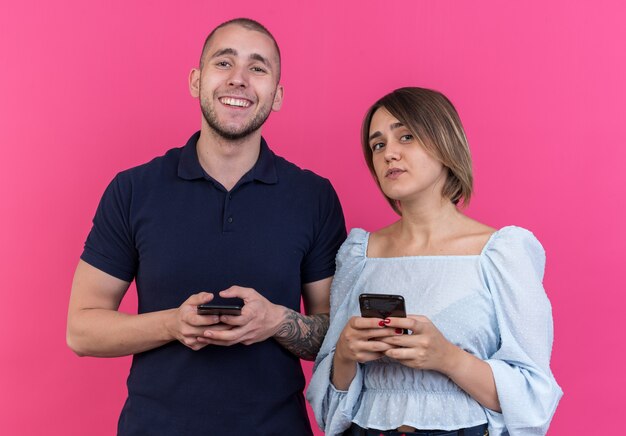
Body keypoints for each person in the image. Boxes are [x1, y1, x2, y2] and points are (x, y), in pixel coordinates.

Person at [66, 18, 346, 435]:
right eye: (224, 63)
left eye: (258, 68)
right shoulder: (133, 189)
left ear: (278, 94)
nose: (239, 80)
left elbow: (336, 338)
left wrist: (274, 321)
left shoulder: (313, 196)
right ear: (196, 81)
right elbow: (81, 330)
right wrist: (172, 324)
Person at [306, 87, 562, 436]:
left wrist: (447, 358)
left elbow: (533, 400)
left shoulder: (501, 253)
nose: (389, 154)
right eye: (377, 144)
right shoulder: (359, 254)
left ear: (445, 143)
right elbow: (328, 411)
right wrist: (346, 355)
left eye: (406, 136)